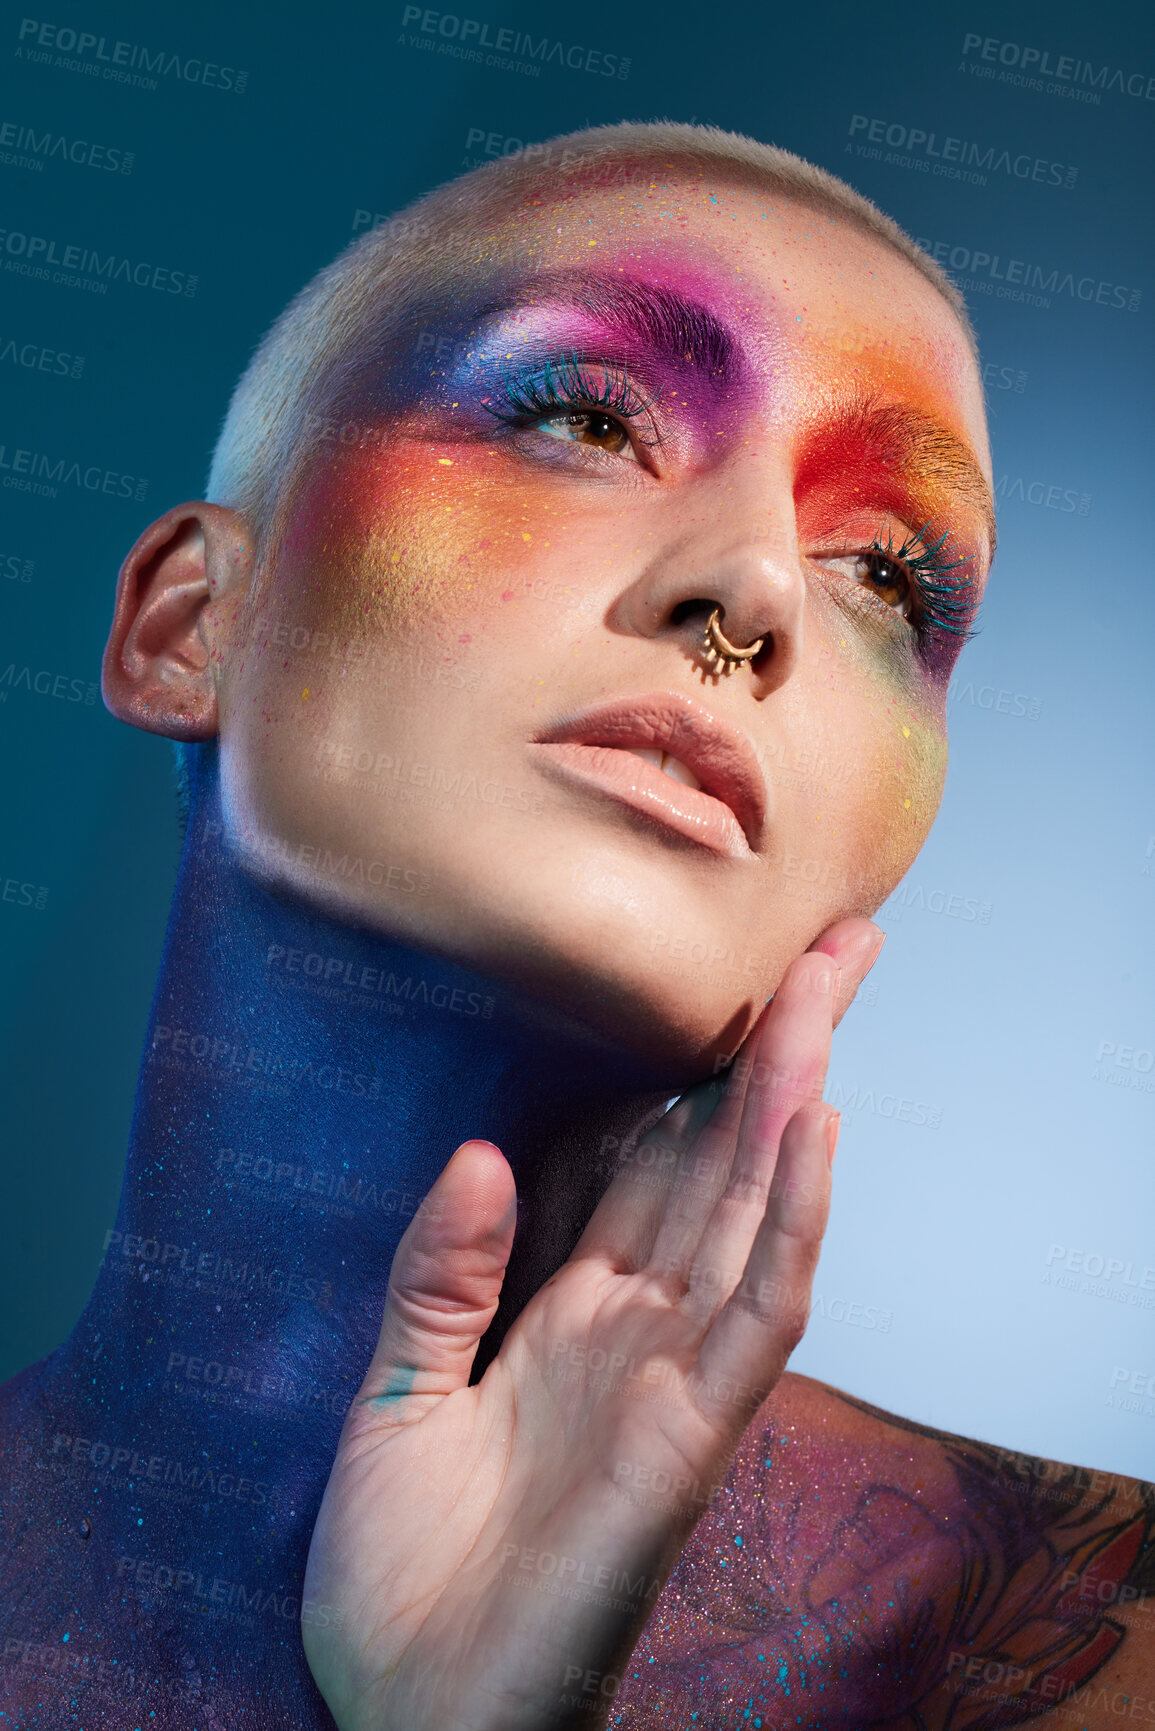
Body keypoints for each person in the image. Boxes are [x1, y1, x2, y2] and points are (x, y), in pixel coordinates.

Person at [1, 122, 1150, 1730]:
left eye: (888, 575)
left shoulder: (1076, 1621)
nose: (754, 592)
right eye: (586, 417)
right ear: (195, 628)